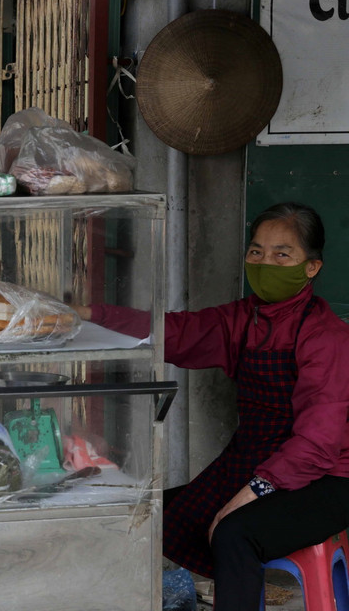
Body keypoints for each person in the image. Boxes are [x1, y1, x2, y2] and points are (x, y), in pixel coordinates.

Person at [77, 202, 349, 610]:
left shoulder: (327, 336)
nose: (264, 262)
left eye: (282, 254)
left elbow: (318, 443)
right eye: (256, 251)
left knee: (234, 532)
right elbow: (175, 331)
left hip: (328, 478)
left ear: (311, 267)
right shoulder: (243, 319)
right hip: (257, 458)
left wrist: (251, 493)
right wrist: (85, 317)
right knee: (150, 516)